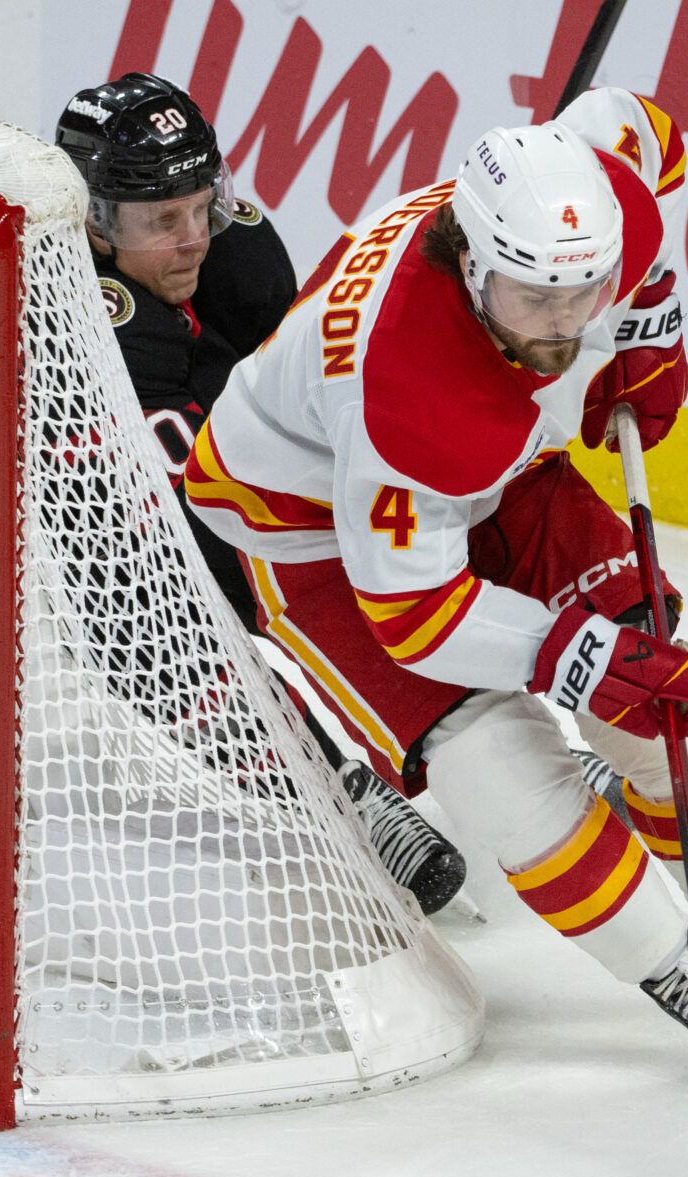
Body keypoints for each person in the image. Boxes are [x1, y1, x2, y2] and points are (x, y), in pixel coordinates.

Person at [184, 87, 688, 1076]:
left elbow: (635, 127)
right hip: (315, 531)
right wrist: (575, 655)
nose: (561, 323)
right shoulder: (410, 391)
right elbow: (417, 614)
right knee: (495, 763)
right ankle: (677, 966)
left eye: (583, 295)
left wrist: (650, 327)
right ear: (472, 263)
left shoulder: (603, 210)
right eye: (533, 299)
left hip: (501, 470)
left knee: (661, 684)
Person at [53, 72, 468, 917]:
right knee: (170, 618)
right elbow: (183, 527)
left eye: (202, 204)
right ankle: (334, 784)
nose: (194, 236)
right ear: (93, 219)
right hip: (97, 540)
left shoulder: (234, 248)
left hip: (218, 479)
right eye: (161, 220)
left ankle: (503, 739)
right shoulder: (74, 316)